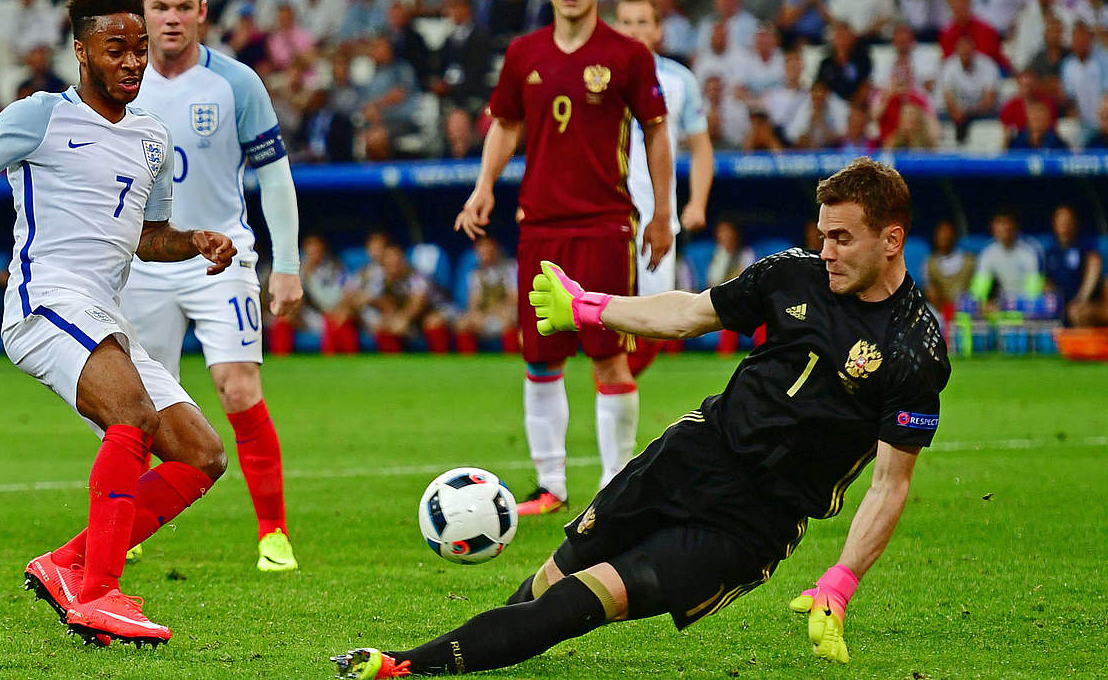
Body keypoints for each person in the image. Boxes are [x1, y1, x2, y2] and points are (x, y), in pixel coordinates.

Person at [332, 158, 950, 678]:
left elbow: (890, 483)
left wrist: (841, 580)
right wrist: (589, 308)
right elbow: (687, 313)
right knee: (552, 581)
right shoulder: (792, 273)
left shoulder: (915, 350)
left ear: (891, 240)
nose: (827, 252)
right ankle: (468, 654)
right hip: (691, 455)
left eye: (842, 239)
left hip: (751, 522)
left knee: (583, 602)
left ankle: (402, 665)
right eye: (823, 235)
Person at [0, 0, 238, 646]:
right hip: (45, 301)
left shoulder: (153, 138)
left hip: (104, 314)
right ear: (82, 51)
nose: (132, 61)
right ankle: (98, 594)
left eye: (140, 49)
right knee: (132, 416)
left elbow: (149, 237)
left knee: (202, 455)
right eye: (116, 49)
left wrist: (195, 240)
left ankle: (67, 564)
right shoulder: (40, 114)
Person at [454, 0, 672, 514]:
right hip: (541, 226)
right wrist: (483, 186)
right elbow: (505, 124)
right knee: (540, 358)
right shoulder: (523, 53)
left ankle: (614, 488)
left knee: (609, 357)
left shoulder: (627, 55)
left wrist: (662, 214)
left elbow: (656, 132)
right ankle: (550, 485)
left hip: (606, 225)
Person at [119, 0, 302, 573]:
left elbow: (274, 174)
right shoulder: (118, 83)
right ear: (142, 15)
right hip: (143, 265)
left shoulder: (236, 83)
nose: (171, 18)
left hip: (222, 261)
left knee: (238, 387)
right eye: (159, 7)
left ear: (202, 13)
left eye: (183, 7)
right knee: (137, 406)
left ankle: (273, 533)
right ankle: (127, 526)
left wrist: (287, 263)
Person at [611, 0, 715, 380]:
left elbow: (701, 147)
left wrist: (697, 202)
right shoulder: (598, 75)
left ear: (658, 30)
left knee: (656, 323)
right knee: (605, 313)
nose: (634, 30)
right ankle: (612, 391)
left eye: (642, 22)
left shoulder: (678, 80)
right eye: (626, 22)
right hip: (607, 212)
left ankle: (616, 389)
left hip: (657, 216)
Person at [453, 235, 518, 354]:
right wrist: (475, 315)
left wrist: (497, 310)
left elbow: (514, 298)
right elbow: (474, 302)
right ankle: (468, 361)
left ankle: (512, 357)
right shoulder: (476, 273)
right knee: (463, 324)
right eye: (481, 247)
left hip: (506, 311)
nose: (485, 251)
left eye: (488, 246)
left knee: (509, 318)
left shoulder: (510, 267)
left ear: (495, 248)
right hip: (487, 314)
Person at [1045, 205, 1102, 325]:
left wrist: (1081, 298)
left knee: (1077, 312)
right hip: (1058, 303)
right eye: (1061, 221)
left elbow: (1094, 266)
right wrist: (1054, 299)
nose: (1065, 225)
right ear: (1054, 223)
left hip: (1081, 302)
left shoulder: (1085, 247)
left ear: (1075, 223)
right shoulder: (1050, 252)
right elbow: (1045, 281)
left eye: (1068, 220)